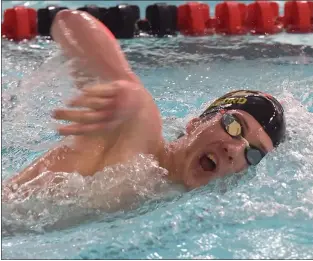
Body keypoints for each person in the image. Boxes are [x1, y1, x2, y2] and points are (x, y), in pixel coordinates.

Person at [2, 10, 286, 199]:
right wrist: (123, 82)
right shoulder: (140, 129)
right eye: (234, 125)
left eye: (254, 154)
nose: (234, 148)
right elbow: (69, 20)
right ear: (196, 123)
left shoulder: (164, 193)